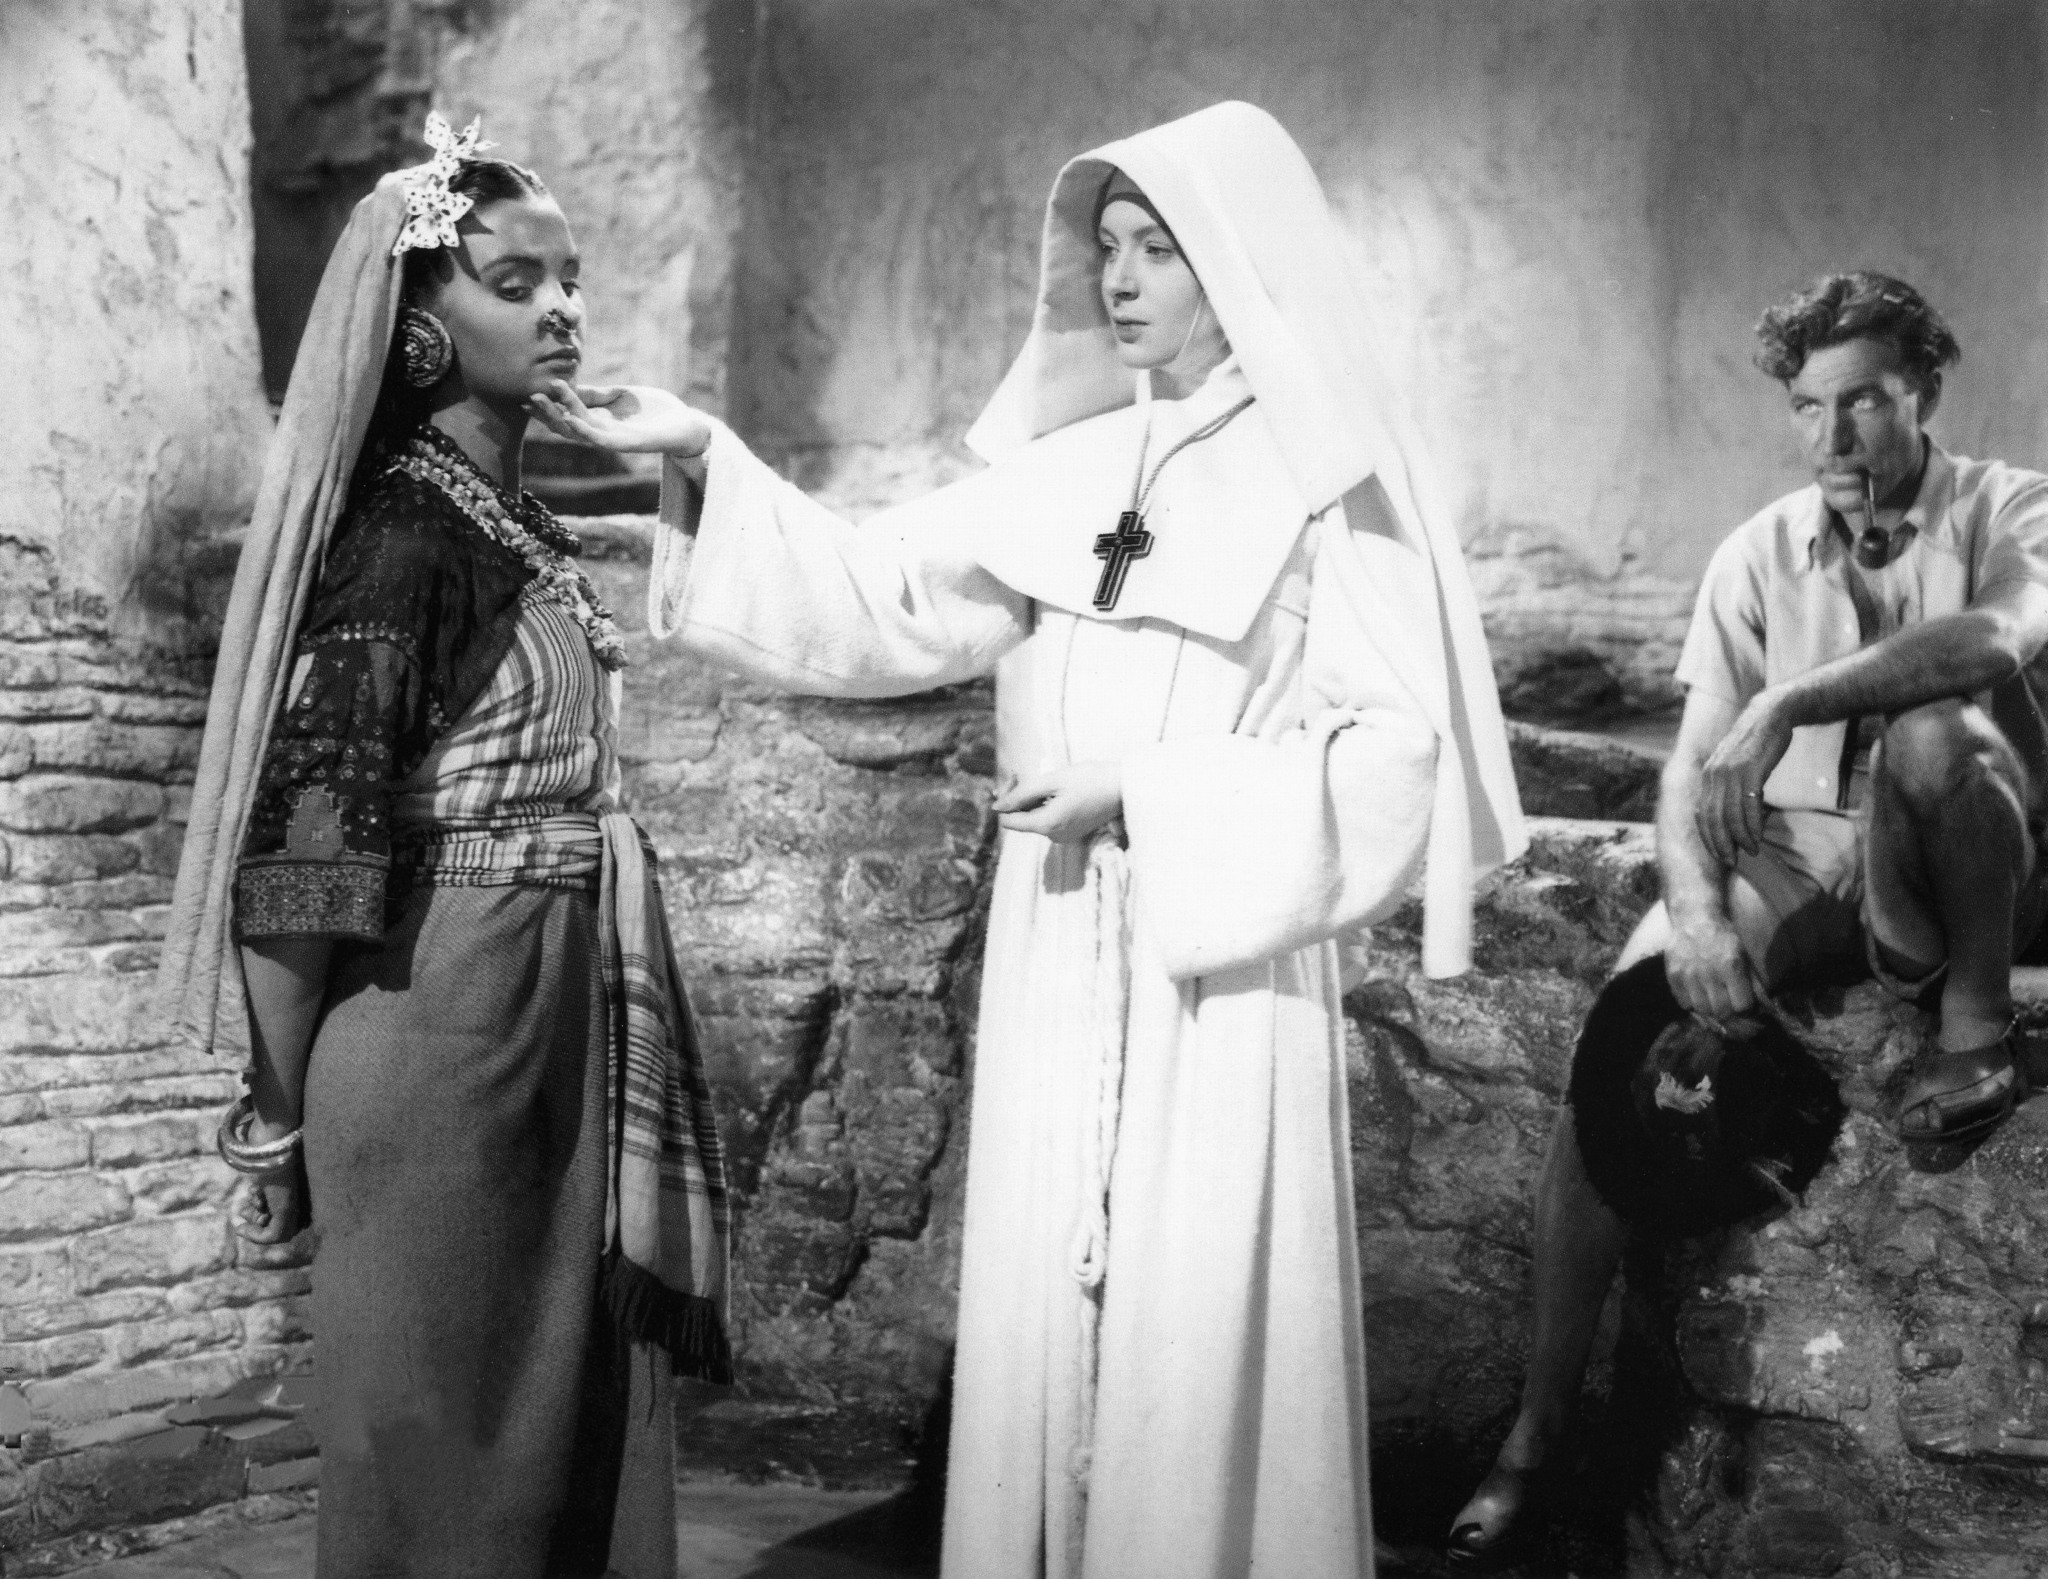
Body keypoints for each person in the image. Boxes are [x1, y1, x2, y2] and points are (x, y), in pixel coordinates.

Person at [532, 101, 1525, 1579]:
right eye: (1107, 248)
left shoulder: (1333, 481)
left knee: (1193, 1329)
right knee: (1048, 1326)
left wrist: (1152, 792)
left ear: (1238, 265)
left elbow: (1397, 763)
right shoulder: (1077, 469)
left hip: (1220, 971)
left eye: (1158, 250)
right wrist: (705, 457)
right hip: (1062, 940)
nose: (1120, 281)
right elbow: (887, 602)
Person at [158, 116, 733, 1579]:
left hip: (545, 1004)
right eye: (510, 280)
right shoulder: (405, 543)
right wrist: (273, 1121)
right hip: (445, 1020)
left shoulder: (512, 520)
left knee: (561, 1413)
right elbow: (299, 870)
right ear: (420, 324)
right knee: (440, 1437)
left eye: (568, 277)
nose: (561, 308)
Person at [1448, 270, 2048, 1565]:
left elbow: (2000, 642)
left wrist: (1801, 700)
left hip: (1979, 859)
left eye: (1866, 401)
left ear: (1926, 394)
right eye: (1808, 406)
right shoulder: (1758, 553)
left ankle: (1979, 1027)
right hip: (1802, 857)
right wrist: (1695, 914)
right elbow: (1687, 767)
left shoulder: (2013, 507)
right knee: (1614, 1061)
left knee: (1942, 736)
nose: (1833, 439)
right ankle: (1540, 1435)